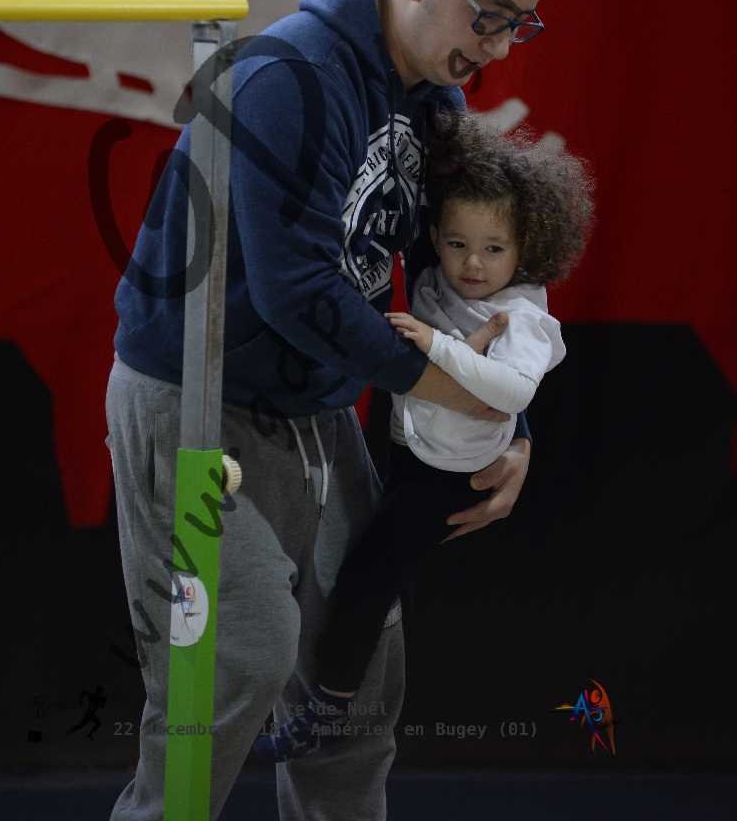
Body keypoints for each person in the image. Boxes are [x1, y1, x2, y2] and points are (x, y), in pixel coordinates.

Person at [104, 0, 554, 821]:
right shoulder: (287, 76)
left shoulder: (432, 99)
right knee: (236, 661)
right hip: (195, 399)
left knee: (358, 675)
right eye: (488, 17)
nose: (499, 49)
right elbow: (297, 292)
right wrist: (465, 396)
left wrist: (508, 420)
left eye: (520, 26)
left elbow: (461, 283)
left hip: (316, 406)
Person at [254, 110, 594, 760]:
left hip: (449, 473)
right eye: (458, 244)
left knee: (366, 578)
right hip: (409, 439)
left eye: (494, 249)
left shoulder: (521, 314)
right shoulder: (438, 261)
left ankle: (327, 710)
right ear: (435, 234)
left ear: (526, 247)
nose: (473, 264)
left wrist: (441, 346)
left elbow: (514, 394)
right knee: (347, 566)